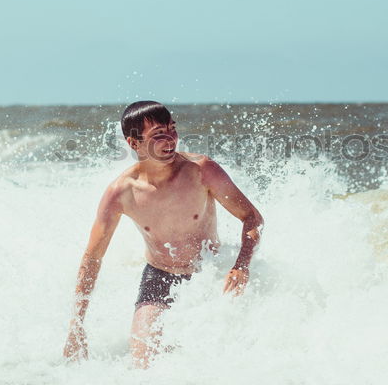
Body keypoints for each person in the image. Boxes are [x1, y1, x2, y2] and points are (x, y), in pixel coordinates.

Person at [62, 100, 264, 368]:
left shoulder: (202, 171)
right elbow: (92, 258)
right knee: (143, 361)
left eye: (172, 129)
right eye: (158, 134)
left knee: (221, 359)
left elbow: (252, 218)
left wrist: (241, 266)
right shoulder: (121, 193)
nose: (170, 139)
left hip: (212, 273)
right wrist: (76, 325)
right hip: (159, 277)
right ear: (134, 143)